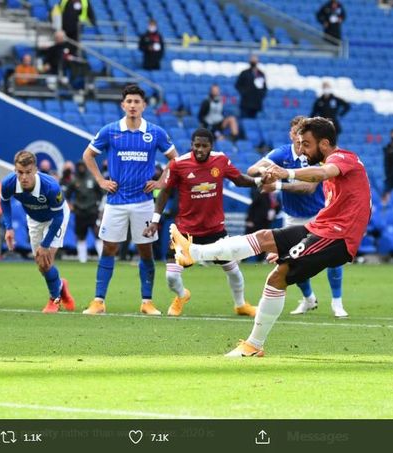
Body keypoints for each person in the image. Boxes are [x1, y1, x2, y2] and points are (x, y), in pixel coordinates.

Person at [171, 117, 371, 357]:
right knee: (265, 237)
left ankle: (253, 345)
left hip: (338, 238)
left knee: (278, 276)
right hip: (321, 228)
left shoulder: (342, 159)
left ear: (325, 144)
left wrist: (286, 173)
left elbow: (321, 173)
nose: (303, 150)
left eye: (307, 144)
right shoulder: (335, 173)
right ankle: (194, 253)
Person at [82, 84, 179, 315]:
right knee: (109, 248)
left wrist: (161, 182)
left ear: (144, 105)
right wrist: (101, 181)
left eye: (137, 102)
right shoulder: (110, 131)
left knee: (146, 251)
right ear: (122, 105)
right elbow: (88, 155)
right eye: (129, 102)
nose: (133, 106)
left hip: (144, 203)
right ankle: (98, 301)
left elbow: (175, 159)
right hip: (116, 201)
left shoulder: (155, 132)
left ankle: (147, 302)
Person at [144, 128, 259, 317]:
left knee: (233, 271)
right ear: (191, 145)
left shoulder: (220, 160)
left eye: (204, 146)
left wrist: (260, 182)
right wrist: (155, 220)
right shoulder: (179, 164)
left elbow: (239, 180)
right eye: (196, 145)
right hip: (185, 233)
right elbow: (164, 192)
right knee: (171, 276)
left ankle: (241, 305)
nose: (200, 149)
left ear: (211, 146)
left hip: (215, 231)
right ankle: (182, 295)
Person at [248, 116, 348, 318]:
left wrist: (277, 184)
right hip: (292, 217)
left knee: (334, 260)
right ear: (291, 134)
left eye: (303, 136)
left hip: (319, 215)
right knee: (293, 260)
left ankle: (337, 303)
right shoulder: (283, 153)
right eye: (296, 134)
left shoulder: (316, 155)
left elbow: (309, 188)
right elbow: (251, 170)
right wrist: (265, 171)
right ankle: (309, 299)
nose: (299, 139)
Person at [1, 151, 76, 313]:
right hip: (34, 219)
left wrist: (45, 244)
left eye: (28, 172)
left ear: (35, 170)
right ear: (15, 170)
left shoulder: (50, 186)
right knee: (41, 266)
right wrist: (9, 228)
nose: (24, 177)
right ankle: (61, 286)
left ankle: (54, 299)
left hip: (56, 217)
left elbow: (58, 217)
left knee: (46, 260)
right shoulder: (9, 183)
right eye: (20, 172)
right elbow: (4, 201)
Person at [66, 160, 103, 263]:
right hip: (79, 212)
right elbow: (67, 195)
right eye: (79, 166)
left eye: (83, 166)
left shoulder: (92, 178)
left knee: (97, 234)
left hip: (92, 211)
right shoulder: (74, 180)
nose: (81, 168)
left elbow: (100, 193)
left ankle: (102, 258)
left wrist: (98, 205)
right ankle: (82, 260)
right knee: (80, 236)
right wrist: (70, 205)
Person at [235, 55, 267, 119]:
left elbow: (264, 88)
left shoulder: (261, 74)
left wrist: (261, 95)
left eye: (255, 60)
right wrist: (244, 93)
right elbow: (237, 85)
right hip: (246, 103)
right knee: (244, 120)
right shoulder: (244, 73)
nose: (253, 61)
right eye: (252, 60)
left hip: (256, 104)